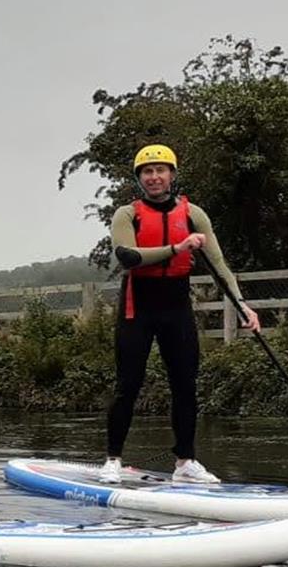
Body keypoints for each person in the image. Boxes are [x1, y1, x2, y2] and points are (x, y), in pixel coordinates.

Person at [103, 144, 260, 484]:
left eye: (161, 170)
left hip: (176, 305)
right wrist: (178, 247)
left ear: (172, 175)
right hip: (137, 307)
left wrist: (242, 306)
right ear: (140, 179)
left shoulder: (194, 214)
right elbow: (128, 257)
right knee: (127, 385)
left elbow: (219, 265)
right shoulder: (126, 214)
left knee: (185, 385)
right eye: (147, 171)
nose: (155, 176)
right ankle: (113, 460)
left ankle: (185, 462)